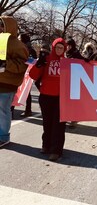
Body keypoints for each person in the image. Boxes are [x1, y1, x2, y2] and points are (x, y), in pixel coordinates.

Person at [29, 38, 67, 161]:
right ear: (53, 47)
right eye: (57, 47)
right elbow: (33, 75)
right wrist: (39, 64)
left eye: (61, 48)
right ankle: (46, 145)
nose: (59, 50)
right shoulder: (46, 59)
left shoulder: (68, 62)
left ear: (64, 49)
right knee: (47, 122)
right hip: (46, 96)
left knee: (58, 125)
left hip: (61, 98)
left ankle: (56, 150)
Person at [0, 16, 29, 147]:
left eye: (2, 25)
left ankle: (3, 137)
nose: (0, 28)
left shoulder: (17, 44)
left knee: (3, 110)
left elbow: (22, 65)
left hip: (7, 84)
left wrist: (5, 64)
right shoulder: (1, 40)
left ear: (8, 26)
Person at [18, 33, 37, 117]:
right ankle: (11, 109)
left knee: (26, 91)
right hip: (19, 72)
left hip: (27, 74)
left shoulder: (30, 50)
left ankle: (28, 110)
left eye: (19, 39)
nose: (18, 40)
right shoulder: (19, 48)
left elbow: (33, 61)